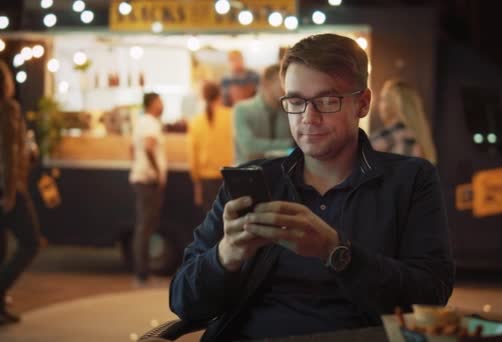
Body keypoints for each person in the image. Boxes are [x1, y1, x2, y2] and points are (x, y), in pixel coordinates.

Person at [169, 34, 454, 341]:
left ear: (363, 103)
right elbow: (184, 301)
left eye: (327, 101)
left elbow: (430, 296)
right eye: (295, 101)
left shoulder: (410, 180)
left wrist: (336, 251)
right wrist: (226, 254)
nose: (308, 117)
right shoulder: (254, 182)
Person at [0, 60, 40, 325]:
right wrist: (10, 191)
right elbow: (4, 152)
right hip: (4, 188)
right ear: (1, 83)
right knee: (31, 242)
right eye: (7, 78)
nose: (11, 83)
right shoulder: (7, 109)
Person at [129, 92, 167, 285]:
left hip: (141, 178)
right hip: (147, 181)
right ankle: (142, 275)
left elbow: (132, 149)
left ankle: (142, 273)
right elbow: (148, 147)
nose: (163, 105)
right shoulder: (150, 122)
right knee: (145, 227)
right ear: (152, 103)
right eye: (160, 101)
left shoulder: (141, 121)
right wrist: (157, 171)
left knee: (144, 226)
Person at [186, 81, 234, 212]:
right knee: (231, 219)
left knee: (211, 222)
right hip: (229, 176)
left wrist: (197, 183)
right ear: (219, 95)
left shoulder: (195, 122)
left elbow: (192, 156)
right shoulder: (232, 115)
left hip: (206, 180)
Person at [233, 64, 293, 164]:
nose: (286, 87)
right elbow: (249, 148)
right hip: (246, 174)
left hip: (280, 174)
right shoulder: (242, 109)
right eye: (281, 82)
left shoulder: (288, 111)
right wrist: (290, 144)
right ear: (266, 84)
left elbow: (298, 148)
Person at [370, 80, 438, 164]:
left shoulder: (397, 133)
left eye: (383, 99)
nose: (379, 104)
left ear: (392, 104)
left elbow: (358, 154)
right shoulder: (418, 137)